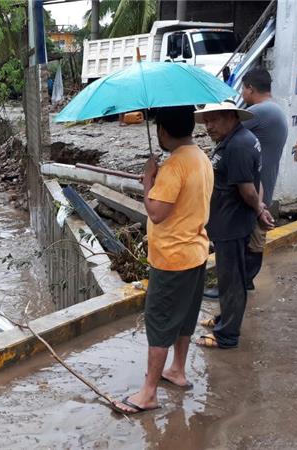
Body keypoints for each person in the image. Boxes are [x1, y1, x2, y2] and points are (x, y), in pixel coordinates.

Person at [112, 106, 213, 414]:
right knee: (184, 317)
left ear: (163, 131)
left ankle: (148, 392)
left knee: (159, 324)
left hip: (172, 259)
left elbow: (156, 212)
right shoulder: (202, 159)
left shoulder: (174, 167)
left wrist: (147, 181)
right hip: (196, 251)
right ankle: (177, 371)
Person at [194, 101, 274, 349]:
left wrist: (259, 209)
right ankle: (223, 319)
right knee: (229, 278)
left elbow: (248, 189)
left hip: (232, 223)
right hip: (228, 221)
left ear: (230, 117)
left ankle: (227, 335)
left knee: (232, 281)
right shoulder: (237, 139)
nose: (208, 126)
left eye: (213, 120)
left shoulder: (238, 145)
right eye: (206, 121)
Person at [240, 69, 289, 288]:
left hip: (254, 188)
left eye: (242, 88)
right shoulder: (275, 110)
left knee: (248, 236)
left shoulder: (258, 112)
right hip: (265, 184)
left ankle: (242, 281)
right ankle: (245, 281)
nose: (241, 93)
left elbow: (227, 132)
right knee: (255, 235)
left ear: (250, 88)